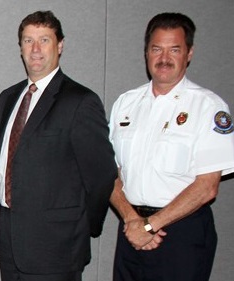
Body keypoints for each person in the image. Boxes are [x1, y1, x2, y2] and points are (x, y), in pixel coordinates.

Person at [0, 11, 117, 280]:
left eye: (44, 40)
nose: (35, 49)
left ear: (60, 45)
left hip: (56, 246)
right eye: (28, 40)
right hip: (10, 241)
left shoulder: (80, 101)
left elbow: (101, 176)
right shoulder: (8, 98)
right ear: (20, 47)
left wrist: (79, 224)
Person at [109, 12, 234, 281]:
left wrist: (152, 225)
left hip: (181, 233)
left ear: (189, 53)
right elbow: (110, 174)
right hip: (131, 229)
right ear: (146, 52)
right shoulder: (125, 104)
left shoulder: (208, 107)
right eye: (157, 49)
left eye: (174, 49)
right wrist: (133, 221)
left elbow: (207, 186)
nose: (164, 58)